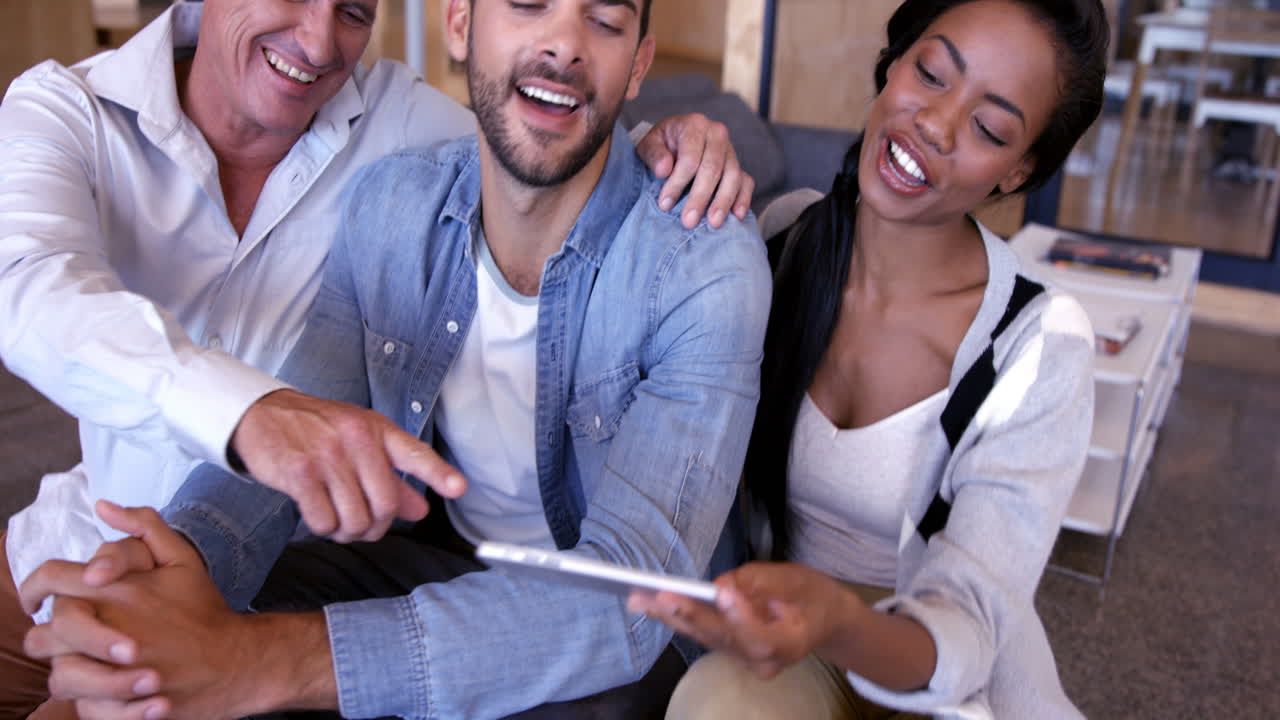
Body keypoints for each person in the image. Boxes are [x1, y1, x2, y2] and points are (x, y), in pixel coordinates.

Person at [19, 0, 771, 718]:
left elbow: (631, 604)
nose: (566, 43)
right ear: (460, 25)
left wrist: (256, 662)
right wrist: (179, 562)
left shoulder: (702, 264)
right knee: (137, 673)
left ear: (637, 66)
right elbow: (307, 416)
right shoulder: (391, 202)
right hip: (439, 559)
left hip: (623, 621)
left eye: (604, 22)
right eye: (527, 6)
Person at [629, 0, 1108, 718]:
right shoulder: (781, 244)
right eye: (933, 72)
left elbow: (968, 623)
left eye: (988, 128)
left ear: (1017, 171)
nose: (936, 124)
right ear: (894, 63)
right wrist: (662, 145)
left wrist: (840, 618)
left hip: (941, 682)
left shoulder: (1036, 346)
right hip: (788, 660)